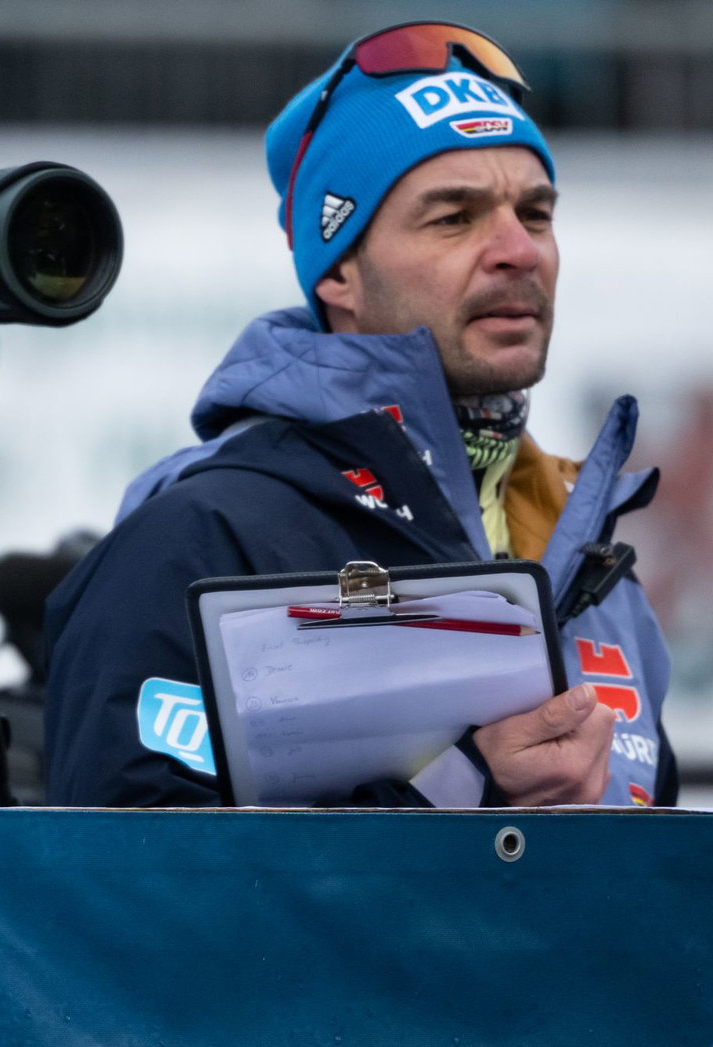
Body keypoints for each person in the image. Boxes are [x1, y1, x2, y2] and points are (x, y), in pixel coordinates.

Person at [44, 21, 677, 809]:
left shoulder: (596, 563)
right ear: (339, 272)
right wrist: (459, 791)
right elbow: (125, 901)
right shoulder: (204, 539)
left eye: (537, 213)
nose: (518, 249)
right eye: (455, 217)